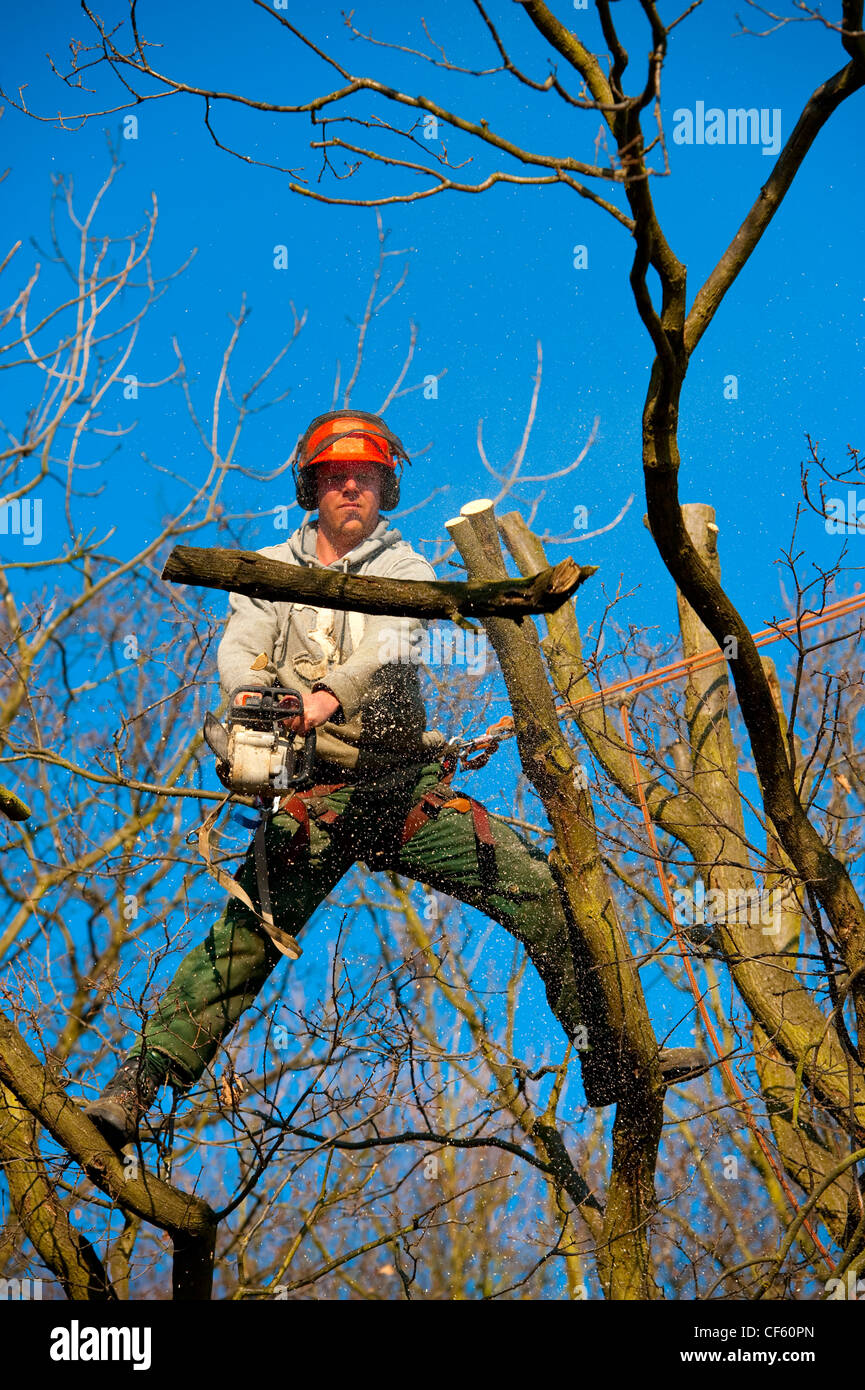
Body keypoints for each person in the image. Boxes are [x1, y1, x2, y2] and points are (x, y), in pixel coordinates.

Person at [86, 410, 700, 1147]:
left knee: (537, 887)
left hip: (403, 787)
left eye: (365, 478)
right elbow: (241, 644)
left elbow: (391, 641)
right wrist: (250, 699)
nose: (351, 489)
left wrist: (322, 700)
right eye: (336, 477)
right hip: (315, 793)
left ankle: (608, 1057)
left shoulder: (403, 570)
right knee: (248, 931)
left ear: (385, 488)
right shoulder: (262, 570)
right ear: (311, 487)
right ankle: (136, 1086)